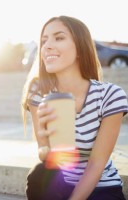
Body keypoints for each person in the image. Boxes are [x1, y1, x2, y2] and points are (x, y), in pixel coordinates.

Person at [21, 15, 128, 200]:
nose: (47, 46)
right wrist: (45, 139)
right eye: (44, 40)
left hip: (101, 187)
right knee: (39, 174)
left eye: (59, 37)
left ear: (80, 47)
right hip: (61, 184)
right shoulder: (38, 94)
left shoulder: (110, 95)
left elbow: (97, 163)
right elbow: (45, 156)